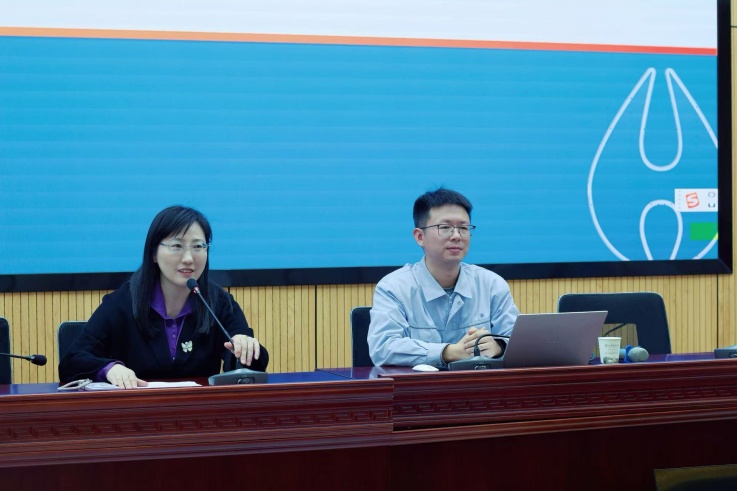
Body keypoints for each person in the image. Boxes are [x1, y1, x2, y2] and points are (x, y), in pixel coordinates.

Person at [59, 205, 269, 388]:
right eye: (177, 246)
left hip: (200, 414)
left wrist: (246, 349)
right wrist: (109, 369)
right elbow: (72, 361)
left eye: (198, 246)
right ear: (153, 254)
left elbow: (250, 369)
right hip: (135, 414)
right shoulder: (122, 303)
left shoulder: (218, 302)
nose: (188, 258)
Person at [367, 188, 519, 367]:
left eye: (463, 228)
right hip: (418, 384)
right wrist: (448, 352)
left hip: (479, 383)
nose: (456, 236)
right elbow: (383, 348)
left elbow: (519, 342)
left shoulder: (491, 284)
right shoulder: (394, 288)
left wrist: (499, 347)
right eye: (445, 228)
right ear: (420, 237)